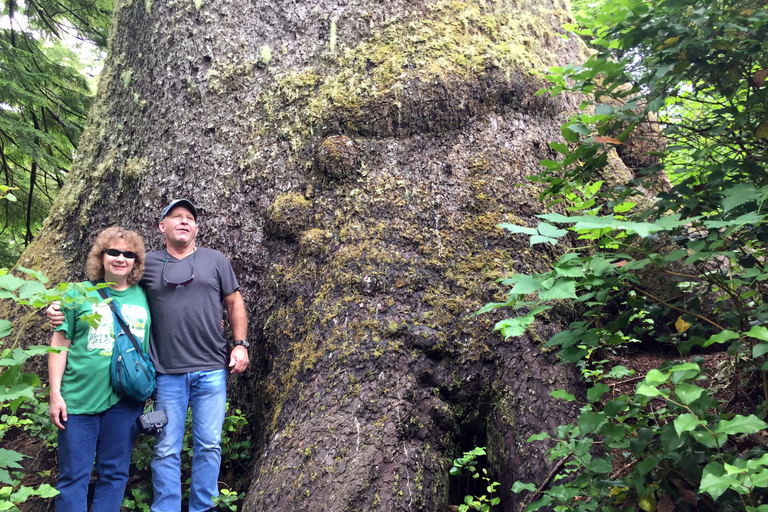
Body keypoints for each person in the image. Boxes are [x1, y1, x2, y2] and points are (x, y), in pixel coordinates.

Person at [49, 199, 248, 512]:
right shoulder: (147, 266)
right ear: (162, 226)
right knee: (166, 447)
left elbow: (234, 302)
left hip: (210, 370)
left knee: (209, 445)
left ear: (196, 227)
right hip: (166, 373)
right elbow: (106, 290)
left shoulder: (215, 260)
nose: (183, 222)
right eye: (175, 216)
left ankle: (202, 507)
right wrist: (57, 308)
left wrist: (240, 344)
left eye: (189, 218)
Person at [48, 227, 151, 512]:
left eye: (128, 254)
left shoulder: (145, 297)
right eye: (113, 252)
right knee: (73, 476)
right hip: (78, 401)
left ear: (136, 262)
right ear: (101, 256)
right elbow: (59, 344)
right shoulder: (77, 293)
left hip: (125, 402)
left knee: (115, 474)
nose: (121, 258)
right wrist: (55, 394)